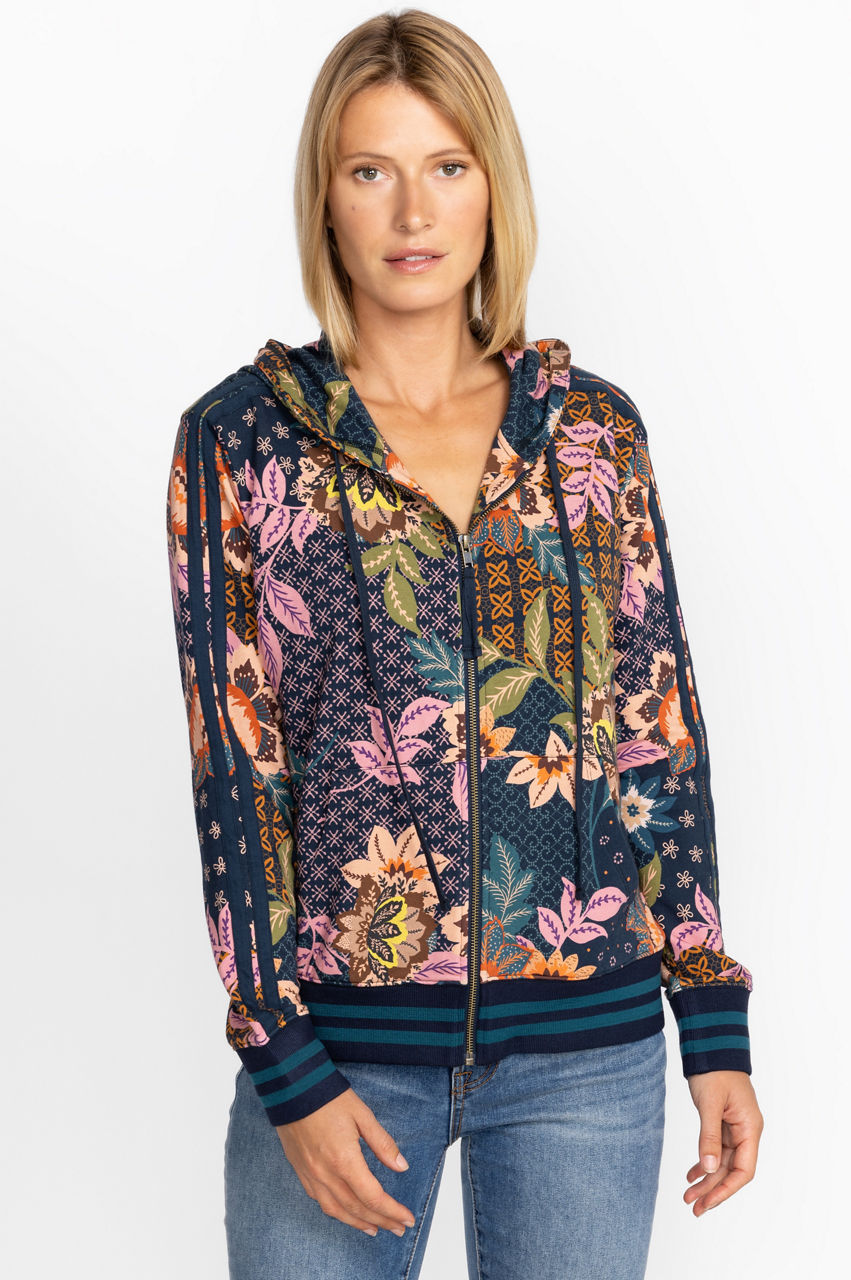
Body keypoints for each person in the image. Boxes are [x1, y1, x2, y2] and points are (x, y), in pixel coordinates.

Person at [165, 9, 763, 1279]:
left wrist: (709, 1014)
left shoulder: (591, 435)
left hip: (588, 1060)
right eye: (369, 170)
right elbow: (235, 767)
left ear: (494, 187)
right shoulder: (242, 441)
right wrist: (283, 1057)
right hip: (338, 1058)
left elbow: (656, 728)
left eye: (446, 165)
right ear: (325, 199)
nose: (411, 211)